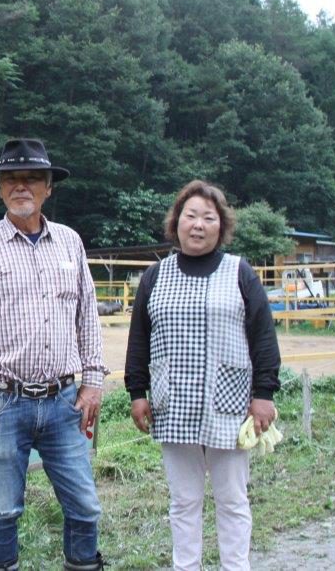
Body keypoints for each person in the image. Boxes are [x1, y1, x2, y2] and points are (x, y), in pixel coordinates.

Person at [0, 138, 108, 571]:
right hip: (3, 402)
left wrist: (93, 382)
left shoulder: (70, 243)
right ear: (0, 188)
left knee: (84, 504)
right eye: (11, 179)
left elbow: (87, 317)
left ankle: (82, 564)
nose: (22, 186)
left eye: (33, 177)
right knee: (2, 508)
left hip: (64, 402)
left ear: (48, 187)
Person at [124, 180, 281, 571]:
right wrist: (136, 392)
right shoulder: (155, 277)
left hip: (228, 405)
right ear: (176, 223)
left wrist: (264, 394)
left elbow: (263, 335)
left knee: (232, 498)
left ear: (220, 225)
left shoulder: (240, 272)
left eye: (207, 218)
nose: (197, 225)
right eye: (190, 216)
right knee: (183, 501)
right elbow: (139, 337)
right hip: (171, 403)